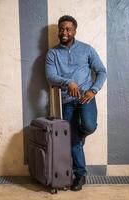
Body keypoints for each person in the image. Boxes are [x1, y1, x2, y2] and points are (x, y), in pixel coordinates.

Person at [45, 15, 107, 191]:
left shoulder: (87, 49)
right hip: (66, 100)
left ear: (74, 31)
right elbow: (50, 76)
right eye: (61, 29)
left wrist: (93, 90)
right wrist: (68, 82)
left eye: (68, 29)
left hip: (85, 97)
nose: (64, 32)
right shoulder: (53, 53)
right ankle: (80, 175)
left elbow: (101, 71)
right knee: (72, 140)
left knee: (89, 126)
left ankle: (78, 136)